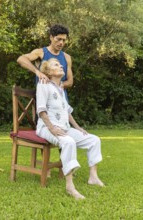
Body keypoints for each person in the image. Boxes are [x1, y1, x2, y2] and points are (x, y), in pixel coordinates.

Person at [36, 58, 104, 200]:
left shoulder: (60, 88)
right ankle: (69, 186)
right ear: (48, 72)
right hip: (46, 127)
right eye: (56, 65)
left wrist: (78, 127)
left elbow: (67, 112)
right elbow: (41, 110)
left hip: (64, 128)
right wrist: (52, 128)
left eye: (61, 65)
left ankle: (93, 177)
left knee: (93, 140)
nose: (61, 66)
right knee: (68, 142)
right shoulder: (43, 85)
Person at [17, 24, 73, 100]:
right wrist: (38, 72)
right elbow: (21, 59)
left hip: (62, 101)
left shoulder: (67, 57)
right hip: (45, 102)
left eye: (64, 40)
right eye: (59, 39)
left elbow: (70, 82)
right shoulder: (40, 52)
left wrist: (56, 85)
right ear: (51, 37)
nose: (61, 43)